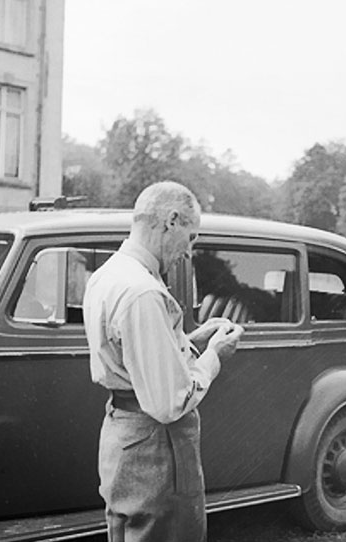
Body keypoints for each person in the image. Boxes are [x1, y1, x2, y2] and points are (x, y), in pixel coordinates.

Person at [83, 181, 244, 542]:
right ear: (171, 220)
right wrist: (214, 356)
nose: (188, 252)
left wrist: (190, 340)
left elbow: (130, 355)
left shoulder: (109, 275)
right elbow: (171, 401)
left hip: (123, 437)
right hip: (157, 447)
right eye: (190, 238)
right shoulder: (143, 292)